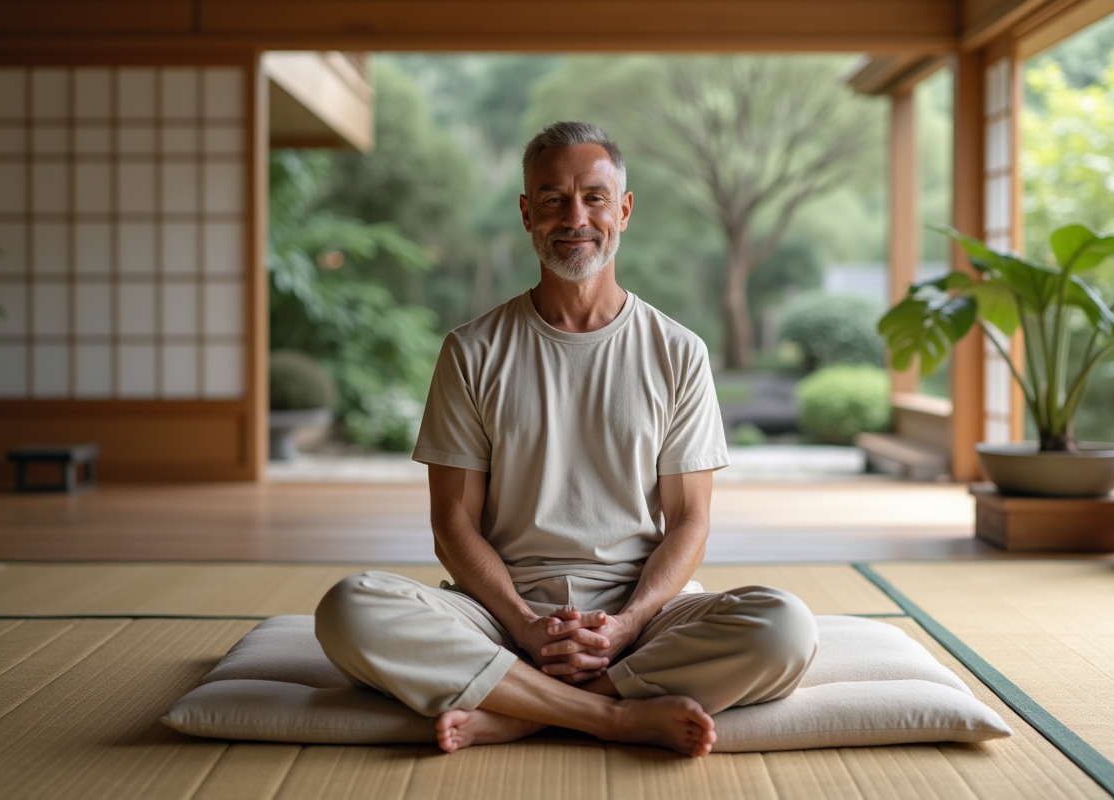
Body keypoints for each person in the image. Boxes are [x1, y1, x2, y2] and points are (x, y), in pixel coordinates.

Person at [315, 121, 818, 757]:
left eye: (594, 198)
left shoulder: (678, 352)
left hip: (643, 614)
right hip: (500, 613)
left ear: (625, 211)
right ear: (527, 214)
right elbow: (453, 525)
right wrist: (526, 627)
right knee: (349, 608)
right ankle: (612, 716)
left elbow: (690, 521)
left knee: (786, 628)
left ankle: (523, 709)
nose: (574, 217)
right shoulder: (472, 350)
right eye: (552, 199)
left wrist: (629, 622)